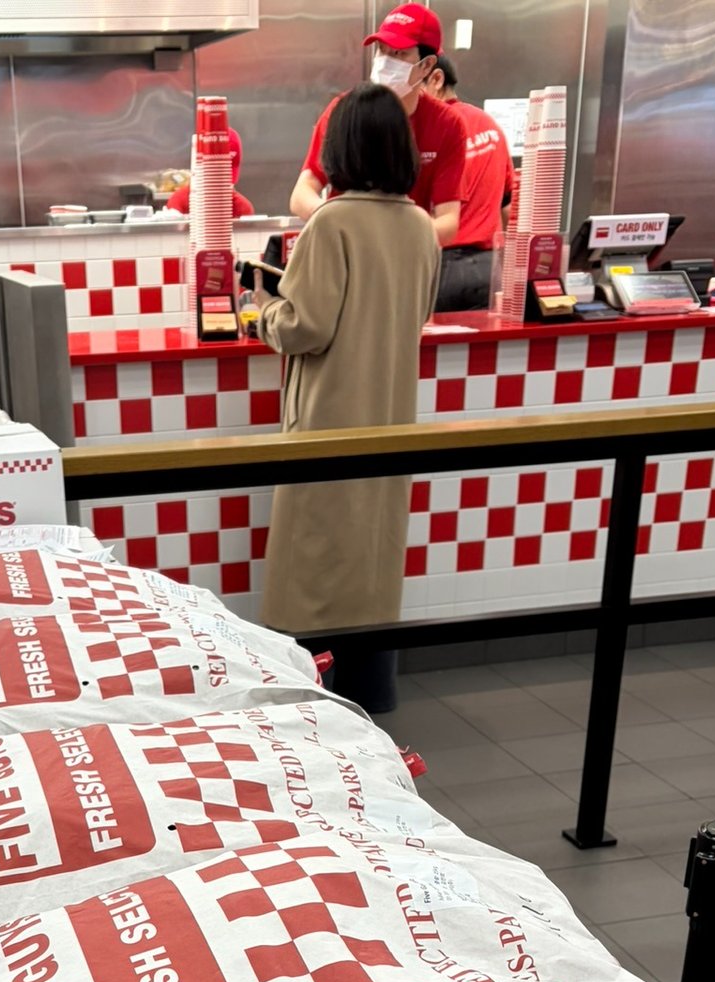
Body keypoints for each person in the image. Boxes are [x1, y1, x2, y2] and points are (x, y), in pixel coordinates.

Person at [252, 84, 441, 711]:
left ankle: (312, 706)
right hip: (391, 419)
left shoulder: (331, 222)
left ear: (341, 149)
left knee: (312, 566)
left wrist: (262, 310)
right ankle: (372, 693)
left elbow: (305, 326)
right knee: (372, 561)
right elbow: (415, 314)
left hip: (328, 419)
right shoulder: (420, 226)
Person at [290, 3, 464, 249]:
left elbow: (448, 223)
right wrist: (336, 222)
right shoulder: (345, 111)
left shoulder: (447, 125)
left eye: (399, 54)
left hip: (404, 255)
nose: (385, 62)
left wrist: (386, 236)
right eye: (382, 50)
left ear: (426, 65)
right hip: (343, 249)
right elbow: (302, 194)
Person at [425, 54, 514, 310]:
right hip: (489, 268)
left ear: (436, 81)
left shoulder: (432, 130)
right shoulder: (490, 126)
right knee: (485, 337)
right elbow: (507, 206)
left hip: (441, 267)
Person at [165, 129, 255, 218]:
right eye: (213, 179)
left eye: (225, 182)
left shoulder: (242, 208)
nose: (218, 187)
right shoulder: (179, 202)